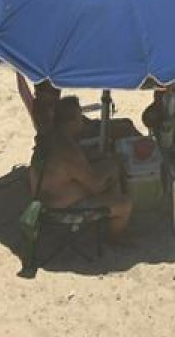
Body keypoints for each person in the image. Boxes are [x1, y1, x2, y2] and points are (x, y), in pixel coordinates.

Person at [26, 94, 134, 242]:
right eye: (80, 117)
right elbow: (95, 186)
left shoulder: (51, 138)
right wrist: (114, 165)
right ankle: (115, 237)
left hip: (43, 200)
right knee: (125, 203)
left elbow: (69, 167)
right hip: (61, 210)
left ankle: (109, 214)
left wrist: (106, 161)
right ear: (71, 122)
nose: (82, 121)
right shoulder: (68, 151)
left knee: (110, 167)